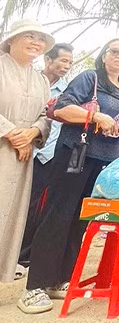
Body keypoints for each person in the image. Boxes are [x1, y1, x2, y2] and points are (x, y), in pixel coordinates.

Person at [22, 38, 119, 314]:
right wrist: (95, 117)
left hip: (104, 163)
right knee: (58, 216)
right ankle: (34, 286)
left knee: (79, 220)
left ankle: (59, 279)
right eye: (115, 51)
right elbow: (61, 108)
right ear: (104, 55)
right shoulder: (90, 78)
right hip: (76, 155)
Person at [0, 21, 53, 287]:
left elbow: (46, 115)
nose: (36, 42)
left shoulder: (41, 80)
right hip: (3, 147)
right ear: (12, 39)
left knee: (12, 215)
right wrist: (11, 133)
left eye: (40, 38)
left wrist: (32, 133)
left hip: (22, 158)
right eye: (29, 36)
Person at [18, 42, 73, 271]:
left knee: (38, 204)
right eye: (63, 60)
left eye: (70, 62)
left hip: (49, 155)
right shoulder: (29, 82)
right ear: (48, 60)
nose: (67, 66)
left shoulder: (68, 91)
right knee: (16, 201)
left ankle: (25, 254)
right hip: (20, 148)